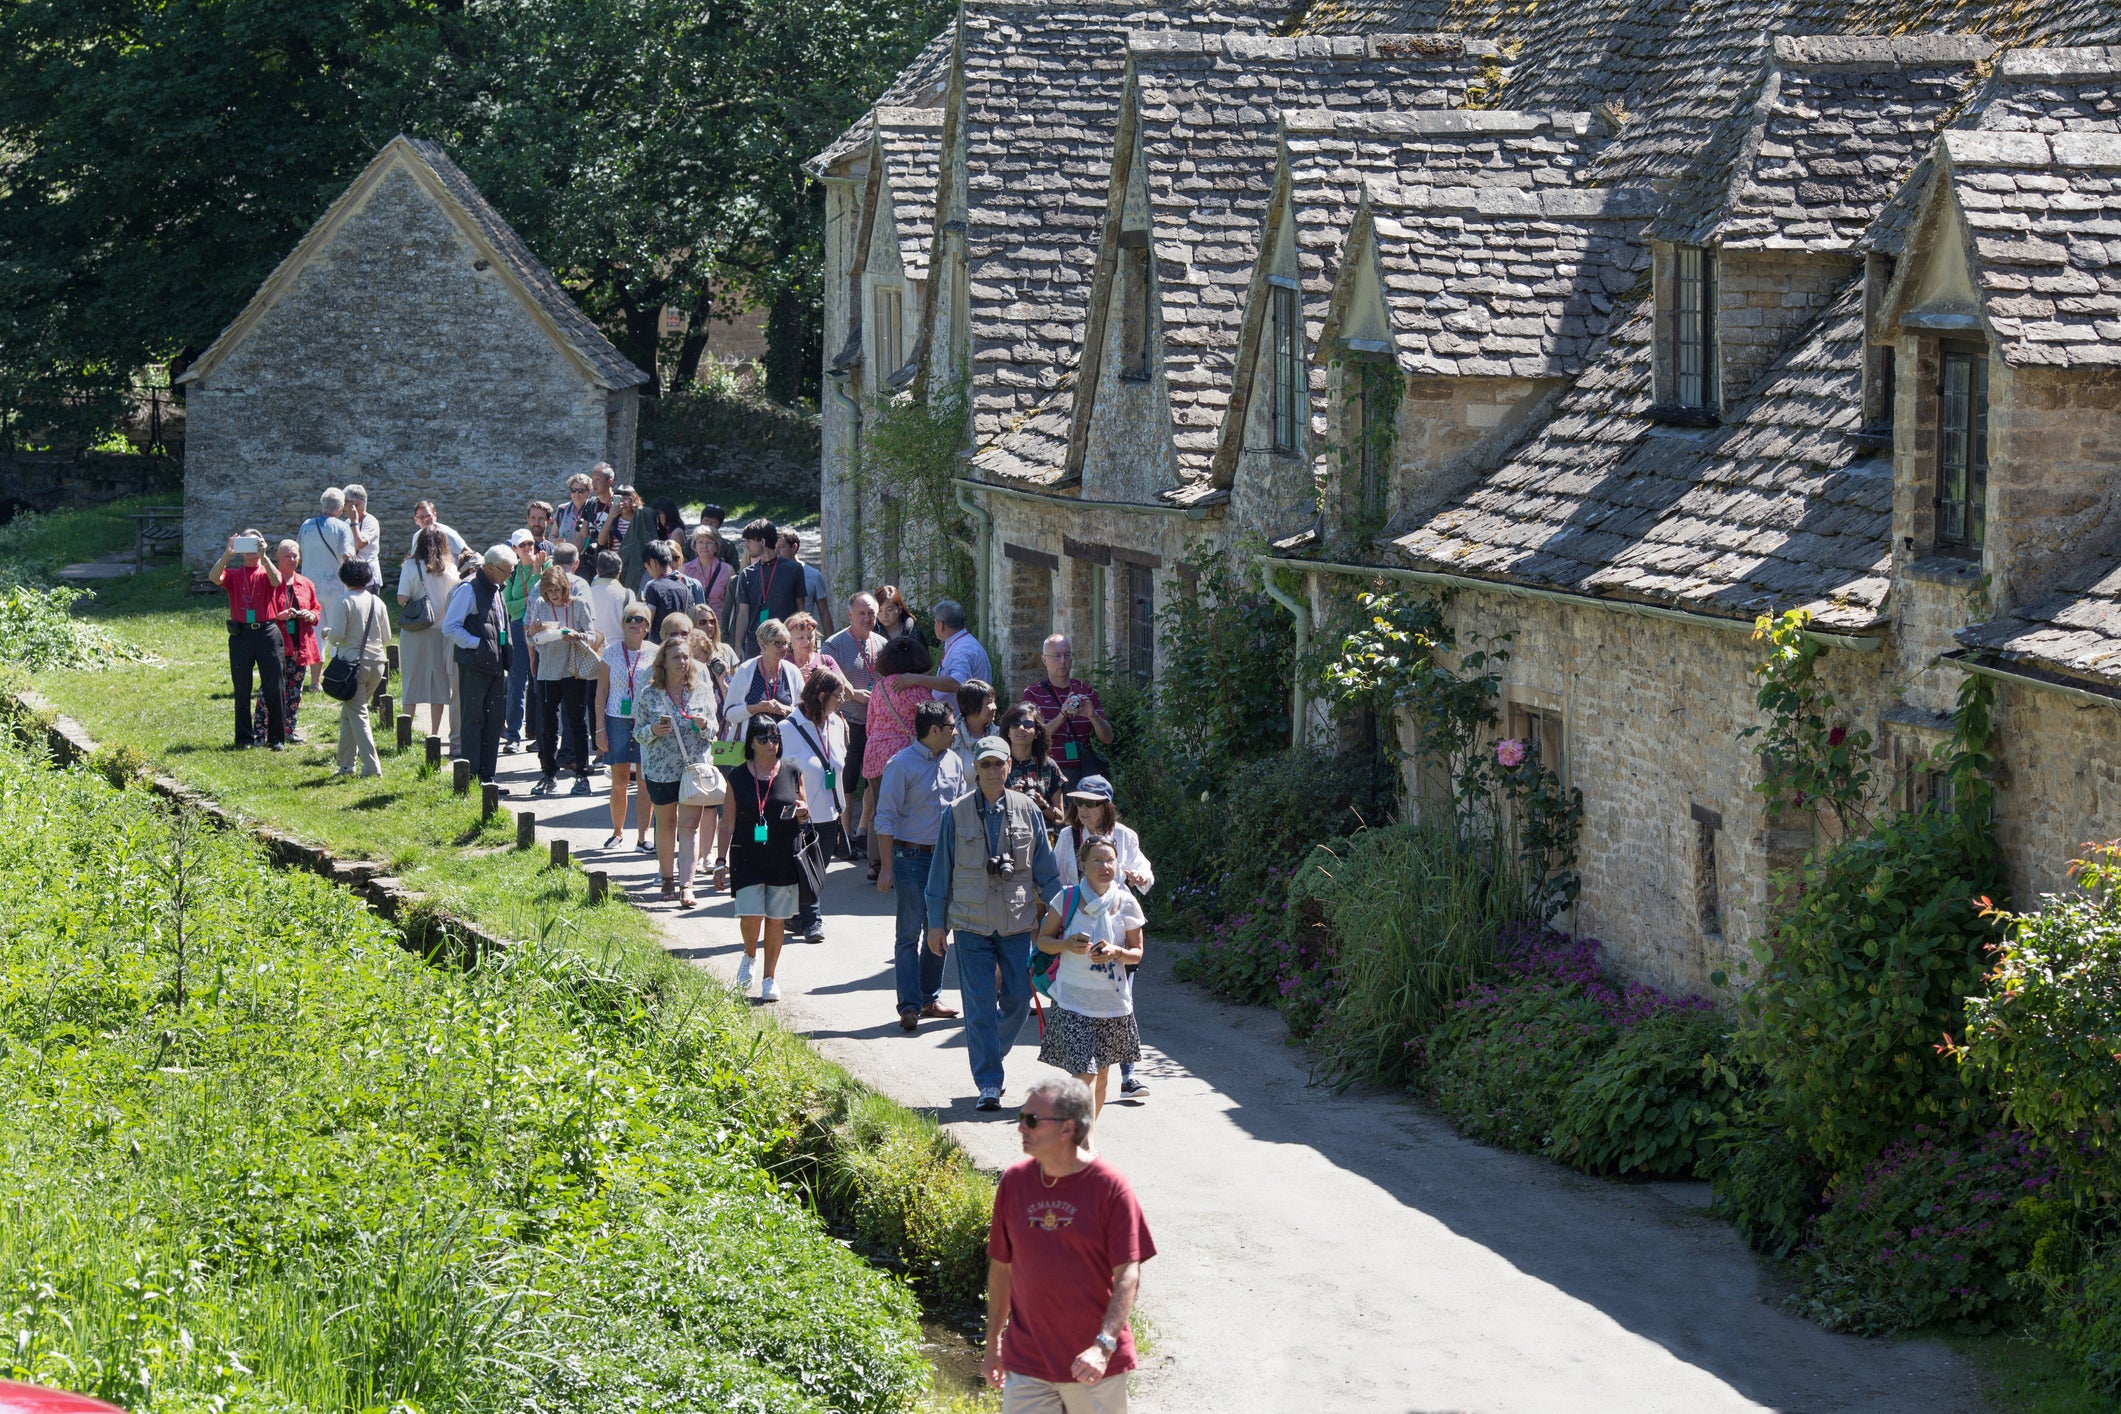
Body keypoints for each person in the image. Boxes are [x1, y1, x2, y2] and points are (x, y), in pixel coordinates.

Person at [983, 1076, 1154, 1410]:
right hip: (1027, 1361)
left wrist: (1103, 1346)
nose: (1021, 1128)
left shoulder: (1110, 1187)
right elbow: (1002, 1267)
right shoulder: (1014, 1182)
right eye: (1021, 1118)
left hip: (1092, 1364)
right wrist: (993, 1342)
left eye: (1031, 1120)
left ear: (1067, 1129)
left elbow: (1128, 1277)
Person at [926, 736, 1062, 1109]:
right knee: (980, 1003)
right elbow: (940, 875)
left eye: (997, 764)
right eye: (984, 765)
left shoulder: (1028, 810)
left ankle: (989, 1052)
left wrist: (1066, 911)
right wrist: (936, 924)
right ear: (976, 769)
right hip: (970, 922)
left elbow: (1047, 872)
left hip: (1016, 922)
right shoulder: (955, 812)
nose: (991, 771)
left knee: (1019, 1000)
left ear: (1007, 767)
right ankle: (988, 1081)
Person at [1056, 775, 1159, 1100]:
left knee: (1122, 1001)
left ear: (1106, 806)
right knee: (1080, 1004)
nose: (1083, 809)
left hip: (1118, 932)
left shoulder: (1125, 837)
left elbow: (1144, 871)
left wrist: (1141, 877)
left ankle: (1128, 1075)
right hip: (1079, 934)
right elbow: (1057, 879)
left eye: (1091, 803)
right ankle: (1083, 1076)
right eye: (1079, 802)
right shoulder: (1068, 836)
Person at [1036, 838, 1146, 1117]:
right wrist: (1066, 944)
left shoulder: (1127, 903)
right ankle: (1077, 1141)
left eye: (1110, 859)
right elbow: (1043, 942)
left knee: (1102, 1080)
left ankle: (1086, 1141)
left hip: (1111, 1004)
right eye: (1097, 860)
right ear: (1082, 865)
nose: (1105, 866)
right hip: (1072, 1001)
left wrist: (1115, 951)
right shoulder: (1067, 897)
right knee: (1085, 1075)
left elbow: (1137, 954)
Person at [873, 700, 964, 1033]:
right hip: (910, 858)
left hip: (946, 860)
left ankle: (929, 998)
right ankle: (909, 1006)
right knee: (909, 933)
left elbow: (961, 812)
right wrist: (886, 867)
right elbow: (884, 818)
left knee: (940, 929)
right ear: (934, 730)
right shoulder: (901, 764)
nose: (956, 731)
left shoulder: (954, 762)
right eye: (951, 727)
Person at [721, 715, 810, 1001]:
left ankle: (769, 977)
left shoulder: (793, 772)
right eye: (764, 738)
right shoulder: (736, 776)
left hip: (782, 856)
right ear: (752, 743)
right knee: (750, 916)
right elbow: (727, 824)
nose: (771, 744)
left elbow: (805, 810)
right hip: (747, 856)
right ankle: (749, 955)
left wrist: (803, 812)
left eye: (775, 738)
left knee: (776, 919)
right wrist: (719, 862)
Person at [633, 635, 720, 904]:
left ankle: (687, 886)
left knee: (689, 827)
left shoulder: (701, 691)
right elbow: (637, 733)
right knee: (667, 824)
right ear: (664, 662)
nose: (682, 662)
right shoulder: (649, 693)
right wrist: (653, 730)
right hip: (660, 770)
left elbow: (715, 731)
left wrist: (704, 725)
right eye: (676, 657)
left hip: (694, 770)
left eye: (685, 657)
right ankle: (667, 879)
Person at [859, 634, 954, 879]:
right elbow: (932, 717)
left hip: (874, 753)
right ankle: (897, 861)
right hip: (903, 754)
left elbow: (870, 723)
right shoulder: (915, 687)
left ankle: (875, 862)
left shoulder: (879, 687)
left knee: (880, 808)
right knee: (903, 810)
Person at [441, 545, 518, 795]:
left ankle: (488, 778)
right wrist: (480, 645)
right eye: (507, 570)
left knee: (494, 722)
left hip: (494, 665)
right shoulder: (469, 588)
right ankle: (472, 780)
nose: (510, 575)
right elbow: (450, 627)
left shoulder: (496, 588)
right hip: (474, 665)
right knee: (474, 720)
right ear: (490, 567)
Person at [782, 668, 850, 944]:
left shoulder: (837, 724)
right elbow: (780, 774)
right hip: (801, 816)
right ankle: (813, 921)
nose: (842, 700)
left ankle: (797, 916)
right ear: (821, 696)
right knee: (809, 869)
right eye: (838, 695)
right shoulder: (787, 729)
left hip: (831, 812)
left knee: (817, 870)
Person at [526, 565, 602, 797]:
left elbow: (593, 636)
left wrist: (577, 635)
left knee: (577, 724)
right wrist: (533, 630)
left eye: (557, 591)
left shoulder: (579, 605)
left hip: (573, 672)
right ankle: (548, 775)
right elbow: (531, 640)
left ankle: (582, 775)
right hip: (548, 672)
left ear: (565, 588)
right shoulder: (540, 605)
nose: (553, 596)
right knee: (547, 726)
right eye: (549, 592)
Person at [209, 528, 288, 750]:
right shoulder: (234, 573)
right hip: (241, 634)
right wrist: (227, 553)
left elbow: (276, 581)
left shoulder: (267, 570)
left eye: (255, 544)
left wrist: (264, 557)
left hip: (267, 632)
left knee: (274, 686)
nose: (251, 550)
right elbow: (214, 577)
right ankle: (244, 738)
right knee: (242, 686)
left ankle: (276, 738)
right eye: (247, 545)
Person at [594, 603, 656, 852]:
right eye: (630, 618)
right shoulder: (610, 652)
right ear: (623, 623)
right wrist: (599, 728)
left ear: (647, 626)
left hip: (644, 721)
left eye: (640, 619)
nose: (634, 622)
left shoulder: (655, 652)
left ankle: (643, 837)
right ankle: (617, 833)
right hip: (616, 719)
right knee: (619, 780)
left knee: (644, 781)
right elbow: (601, 691)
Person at [824, 593, 885, 835]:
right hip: (846, 722)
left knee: (874, 778)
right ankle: (844, 835)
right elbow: (827, 683)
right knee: (846, 781)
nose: (867, 618)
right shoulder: (834, 645)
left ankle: (862, 832)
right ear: (849, 614)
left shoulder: (882, 644)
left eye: (871, 613)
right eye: (862, 613)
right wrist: (852, 694)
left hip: (877, 724)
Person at [323, 560, 392, 778]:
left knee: (358, 715)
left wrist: (326, 632)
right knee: (349, 713)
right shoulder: (377, 601)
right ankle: (346, 764)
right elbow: (387, 637)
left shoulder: (344, 601)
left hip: (353, 667)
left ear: (344, 578)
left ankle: (372, 767)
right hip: (378, 664)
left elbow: (337, 636)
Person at [397, 526, 462, 753]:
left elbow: (402, 598)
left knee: (411, 681)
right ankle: (434, 733)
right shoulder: (452, 569)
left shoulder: (410, 566)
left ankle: (404, 736)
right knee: (439, 683)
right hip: (442, 630)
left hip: (416, 630)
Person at [252, 539, 321, 745]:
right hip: (276, 645)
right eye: (287, 556)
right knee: (269, 689)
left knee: (295, 691)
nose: (292, 559)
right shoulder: (269, 580)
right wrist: (278, 615)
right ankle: (260, 732)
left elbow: (316, 607)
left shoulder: (306, 583)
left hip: (301, 646)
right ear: (277, 558)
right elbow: (260, 610)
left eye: (295, 555)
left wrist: (311, 614)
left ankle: (288, 729)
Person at [1024, 635, 1115, 784]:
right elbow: (1032, 737)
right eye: (1056, 656)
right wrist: (1061, 716)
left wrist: (1093, 717)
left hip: (1083, 772)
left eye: (1067, 655)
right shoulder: (1033, 694)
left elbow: (1108, 738)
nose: (1063, 661)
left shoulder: (1087, 692)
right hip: (1048, 772)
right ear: (1044, 660)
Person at [297, 488, 356, 685]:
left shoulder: (306, 526)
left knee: (315, 634)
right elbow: (348, 555)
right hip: (336, 587)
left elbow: (299, 553)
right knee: (338, 632)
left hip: (309, 588)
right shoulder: (341, 527)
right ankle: (337, 677)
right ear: (340, 508)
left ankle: (315, 683)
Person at [727, 519, 807, 658]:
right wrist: (738, 646)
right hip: (756, 644)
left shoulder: (794, 569)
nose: (746, 546)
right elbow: (743, 613)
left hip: (785, 642)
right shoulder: (747, 574)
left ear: (762, 542)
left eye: (749, 541)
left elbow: (800, 609)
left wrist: (800, 639)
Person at [721, 618, 805, 737]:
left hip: (785, 746)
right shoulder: (746, 670)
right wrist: (756, 708)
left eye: (785, 643)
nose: (783, 648)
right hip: (751, 748)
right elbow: (729, 713)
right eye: (777, 643)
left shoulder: (792, 672)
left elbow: (804, 712)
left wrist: (786, 709)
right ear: (762, 644)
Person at [500, 529, 544, 754]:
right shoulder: (513, 571)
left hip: (541, 627)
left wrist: (536, 574)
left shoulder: (545, 565)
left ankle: (541, 734)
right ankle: (513, 735)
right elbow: (508, 606)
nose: (528, 548)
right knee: (517, 682)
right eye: (522, 545)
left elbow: (545, 597)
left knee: (540, 680)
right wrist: (526, 600)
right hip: (518, 629)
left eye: (530, 543)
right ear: (515, 550)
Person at [1000, 703, 1069, 831]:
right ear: (1008, 732)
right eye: (1015, 724)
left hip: (1041, 838)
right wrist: (1009, 798)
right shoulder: (996, 764)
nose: (1021, 728)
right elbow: (986, 808)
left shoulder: (1048, 766)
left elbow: (1060, 817)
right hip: (1005, 836)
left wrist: (1042, 804)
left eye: (1028, 725)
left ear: (1036, 733)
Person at [932, 600, 992, 702]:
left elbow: (956, 683)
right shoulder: (959, 642)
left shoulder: (961, 649)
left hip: (961, 716)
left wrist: (918, 680)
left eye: (935, 622)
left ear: (941, 624)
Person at [778, 529, 834, 637]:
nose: (777, 552)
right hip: (778, 636)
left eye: (781, 547)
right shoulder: (772, 574)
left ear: (794, 547)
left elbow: (824, 612)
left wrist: (830, 642)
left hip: (802, 634)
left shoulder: (813, 575)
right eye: (775, 548)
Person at [638, 540, 690, 640]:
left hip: (660, 647)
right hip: (682, 645)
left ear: (653, 563)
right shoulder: (684, 587)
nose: (648, 572)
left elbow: (647, 623)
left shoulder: (653, 587)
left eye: (647, 567)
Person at [585, 548, 635, 648]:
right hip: (620, 651)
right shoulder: (627, 594)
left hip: (593, 651)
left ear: (597, 571)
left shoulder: (586, 594)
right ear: (619, 572)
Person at [685, 523, 735, 620]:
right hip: (693, 626)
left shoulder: (727, 570)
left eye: (709, 542)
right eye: (700, 542)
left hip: (718, 625)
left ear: (717, 546)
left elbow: (732, 604)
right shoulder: (685, 570)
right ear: (694, 546)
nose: (704, 546)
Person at [952, 679, 999, 777]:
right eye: (989, 703)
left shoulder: (999, 735)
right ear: (972, 706)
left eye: (994, 701)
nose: (995, 707)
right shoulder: (952, 737)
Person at [340, 483, 383, 590]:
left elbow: (359, 544)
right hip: (352, 577)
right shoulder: (346, 522)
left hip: (368, 578)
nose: (343, 506)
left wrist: (354, 523)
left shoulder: (371, 521)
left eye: (345, 503)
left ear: (357, 504)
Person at [785, 611, 840, 683]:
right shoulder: (783, 665)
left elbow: (847, 690)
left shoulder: (826, 661)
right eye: (800, 638)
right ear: (789, 639)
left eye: (810, 637)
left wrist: (829, 676)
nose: (807, 642)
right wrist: (796, 678)